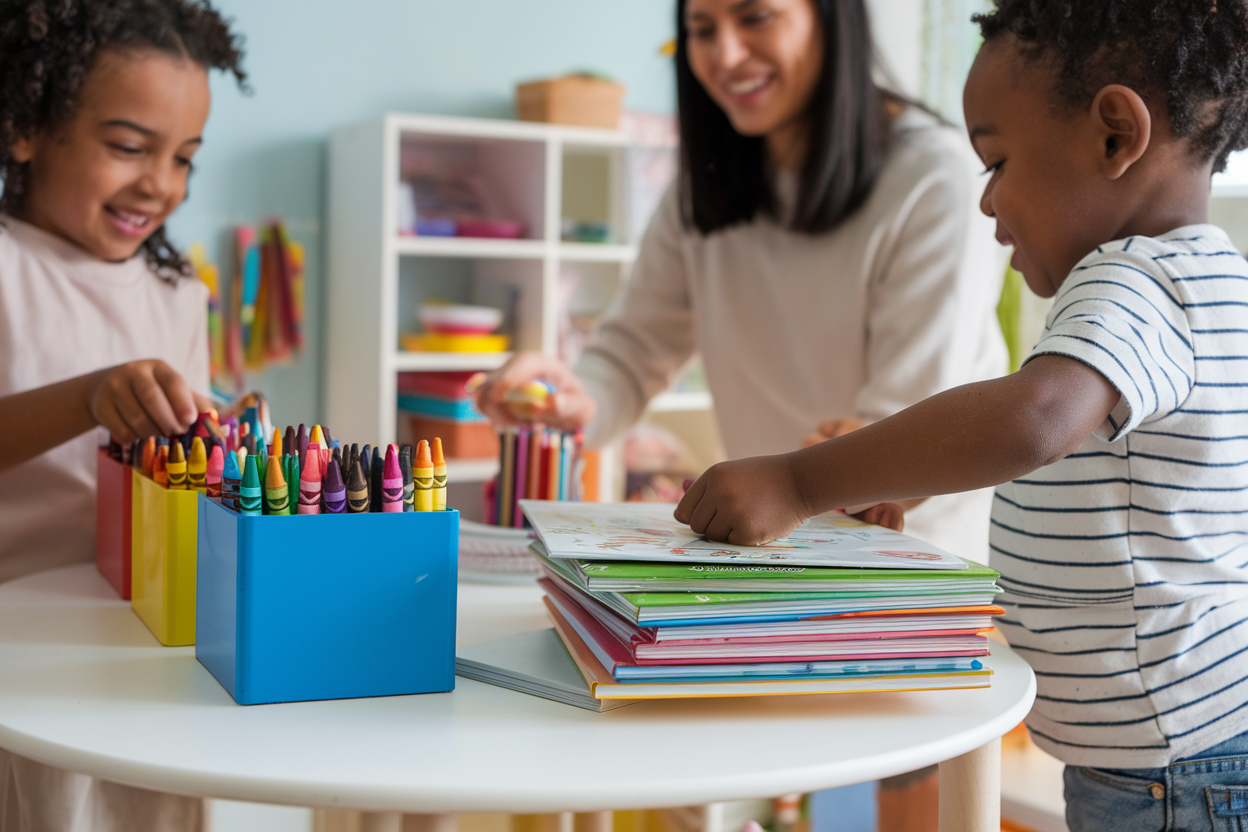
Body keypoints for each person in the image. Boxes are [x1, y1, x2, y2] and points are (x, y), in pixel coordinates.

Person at [673, 0, 1248, 828]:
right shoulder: (1202, 277)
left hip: (1174, 767)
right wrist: (892, 471)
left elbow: (1034, 419)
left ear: (1116, 136)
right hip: (1179, 748)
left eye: (997, 162)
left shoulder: (1136, 281)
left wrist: (799, 480)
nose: (986, 204)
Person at [478, 0, 1006, 560]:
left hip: (905, 564)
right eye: (702, 29)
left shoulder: (932, 177)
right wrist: (574, 399)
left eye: (755, 17)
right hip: (757, 556)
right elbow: (632, 353)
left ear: (831, 16)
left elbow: (910, 438)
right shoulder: (706, 182)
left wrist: (819, 475)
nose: (725, 55)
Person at [0, 1, 245, 828]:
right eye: (129, 147)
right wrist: (86, 396)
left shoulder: (181, 296)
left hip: (149, 646)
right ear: (25, 127)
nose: (161, 185)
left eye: (185, 159)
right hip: (21, 653)